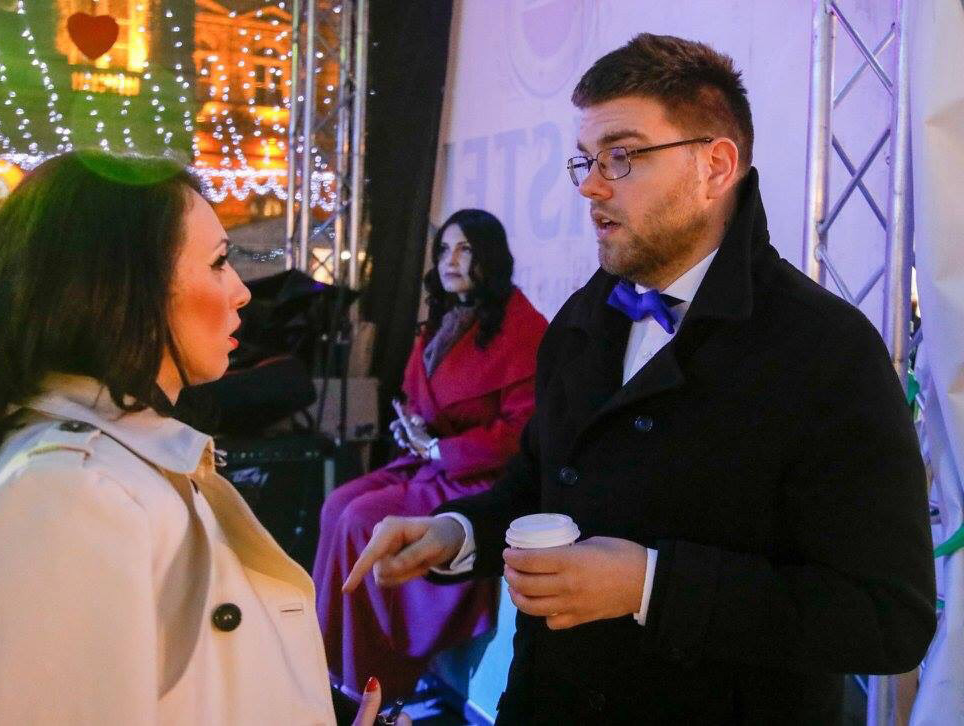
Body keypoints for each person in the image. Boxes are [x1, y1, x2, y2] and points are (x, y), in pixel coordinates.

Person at [342, 33, 937, 724]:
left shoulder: (825, 348)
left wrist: (651, 585)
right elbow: (536, 488)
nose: (590, 185)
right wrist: (456, 533)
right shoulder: (579, 321)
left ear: (715, 167)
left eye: (622, 156)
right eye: (586, 160)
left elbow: (886, 616)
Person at [0, 151, 405, 725]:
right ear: (120, 288)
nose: (241, 292)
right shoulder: (69, 493)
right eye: (218, 263)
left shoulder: (114, 468)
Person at [313, 209, 547, 698]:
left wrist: (441, 447)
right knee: (336, 504)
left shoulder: (527, 329)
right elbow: (419, 398)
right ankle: (326, 659)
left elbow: (519, 434)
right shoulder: (442, 321)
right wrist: (413, 428)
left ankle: (372, 677)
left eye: (464, 249)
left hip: (478, 476)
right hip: (427, 464)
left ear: (490, 257)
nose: (449, 260)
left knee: (360, 518)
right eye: (443, 250)